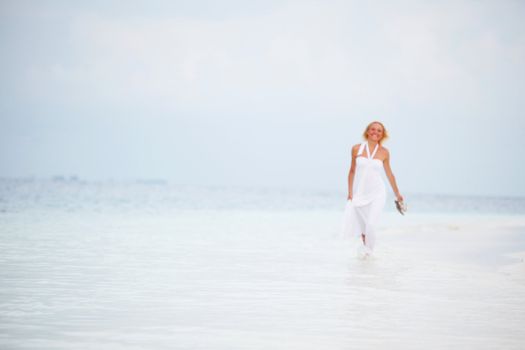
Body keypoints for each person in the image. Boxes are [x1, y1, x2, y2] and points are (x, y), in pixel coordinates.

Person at [341, 121, 403, 257]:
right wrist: (350, 193)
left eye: (379, 131)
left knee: (371, 225)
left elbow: (389, 174)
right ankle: (365, 258)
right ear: (367, 131)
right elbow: (352, 171)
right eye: (373, 129)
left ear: (382, 135)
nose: (375, 132)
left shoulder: (384, 152)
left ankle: (369, 255)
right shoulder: (356, 148)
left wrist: (397, 193)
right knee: (364, 228)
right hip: (360, 193)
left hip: (377, 193)